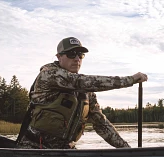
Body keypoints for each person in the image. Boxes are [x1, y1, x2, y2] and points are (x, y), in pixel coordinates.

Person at [17, 37, 148, 149]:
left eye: (80, 55)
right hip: (34, 147)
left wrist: (127, 150)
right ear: (59, 57)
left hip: (65, 150)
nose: (77, 59)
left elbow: (101, 124)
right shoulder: (49, 74)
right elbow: (80, 81)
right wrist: (130, 79)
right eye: (71, 54)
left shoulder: (87, 92)